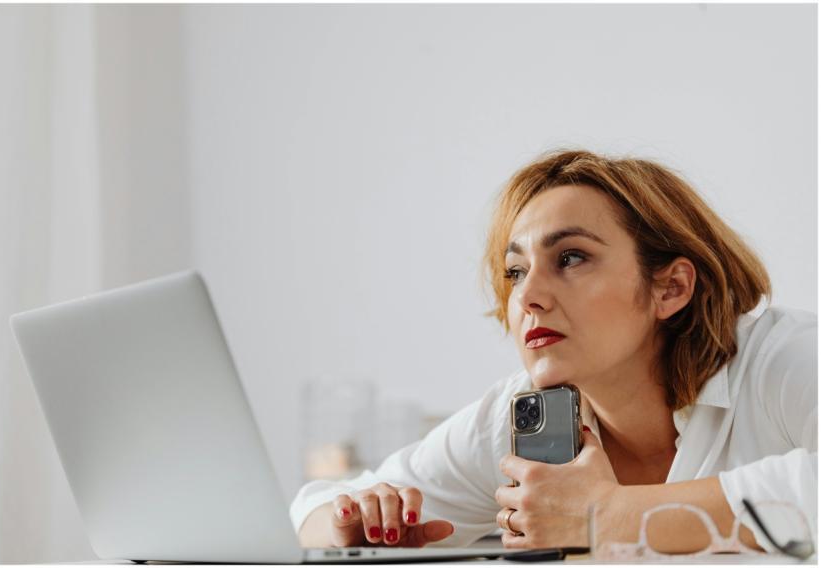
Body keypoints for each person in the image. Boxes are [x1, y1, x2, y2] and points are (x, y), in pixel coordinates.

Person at [290, 149, 817, 553]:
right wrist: (350, 527)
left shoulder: (782, 359)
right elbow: (307, 511)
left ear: (671, 288)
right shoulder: (520, 420)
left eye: (570, 257)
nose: (528, 296)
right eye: (516, 271)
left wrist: (611, 516)